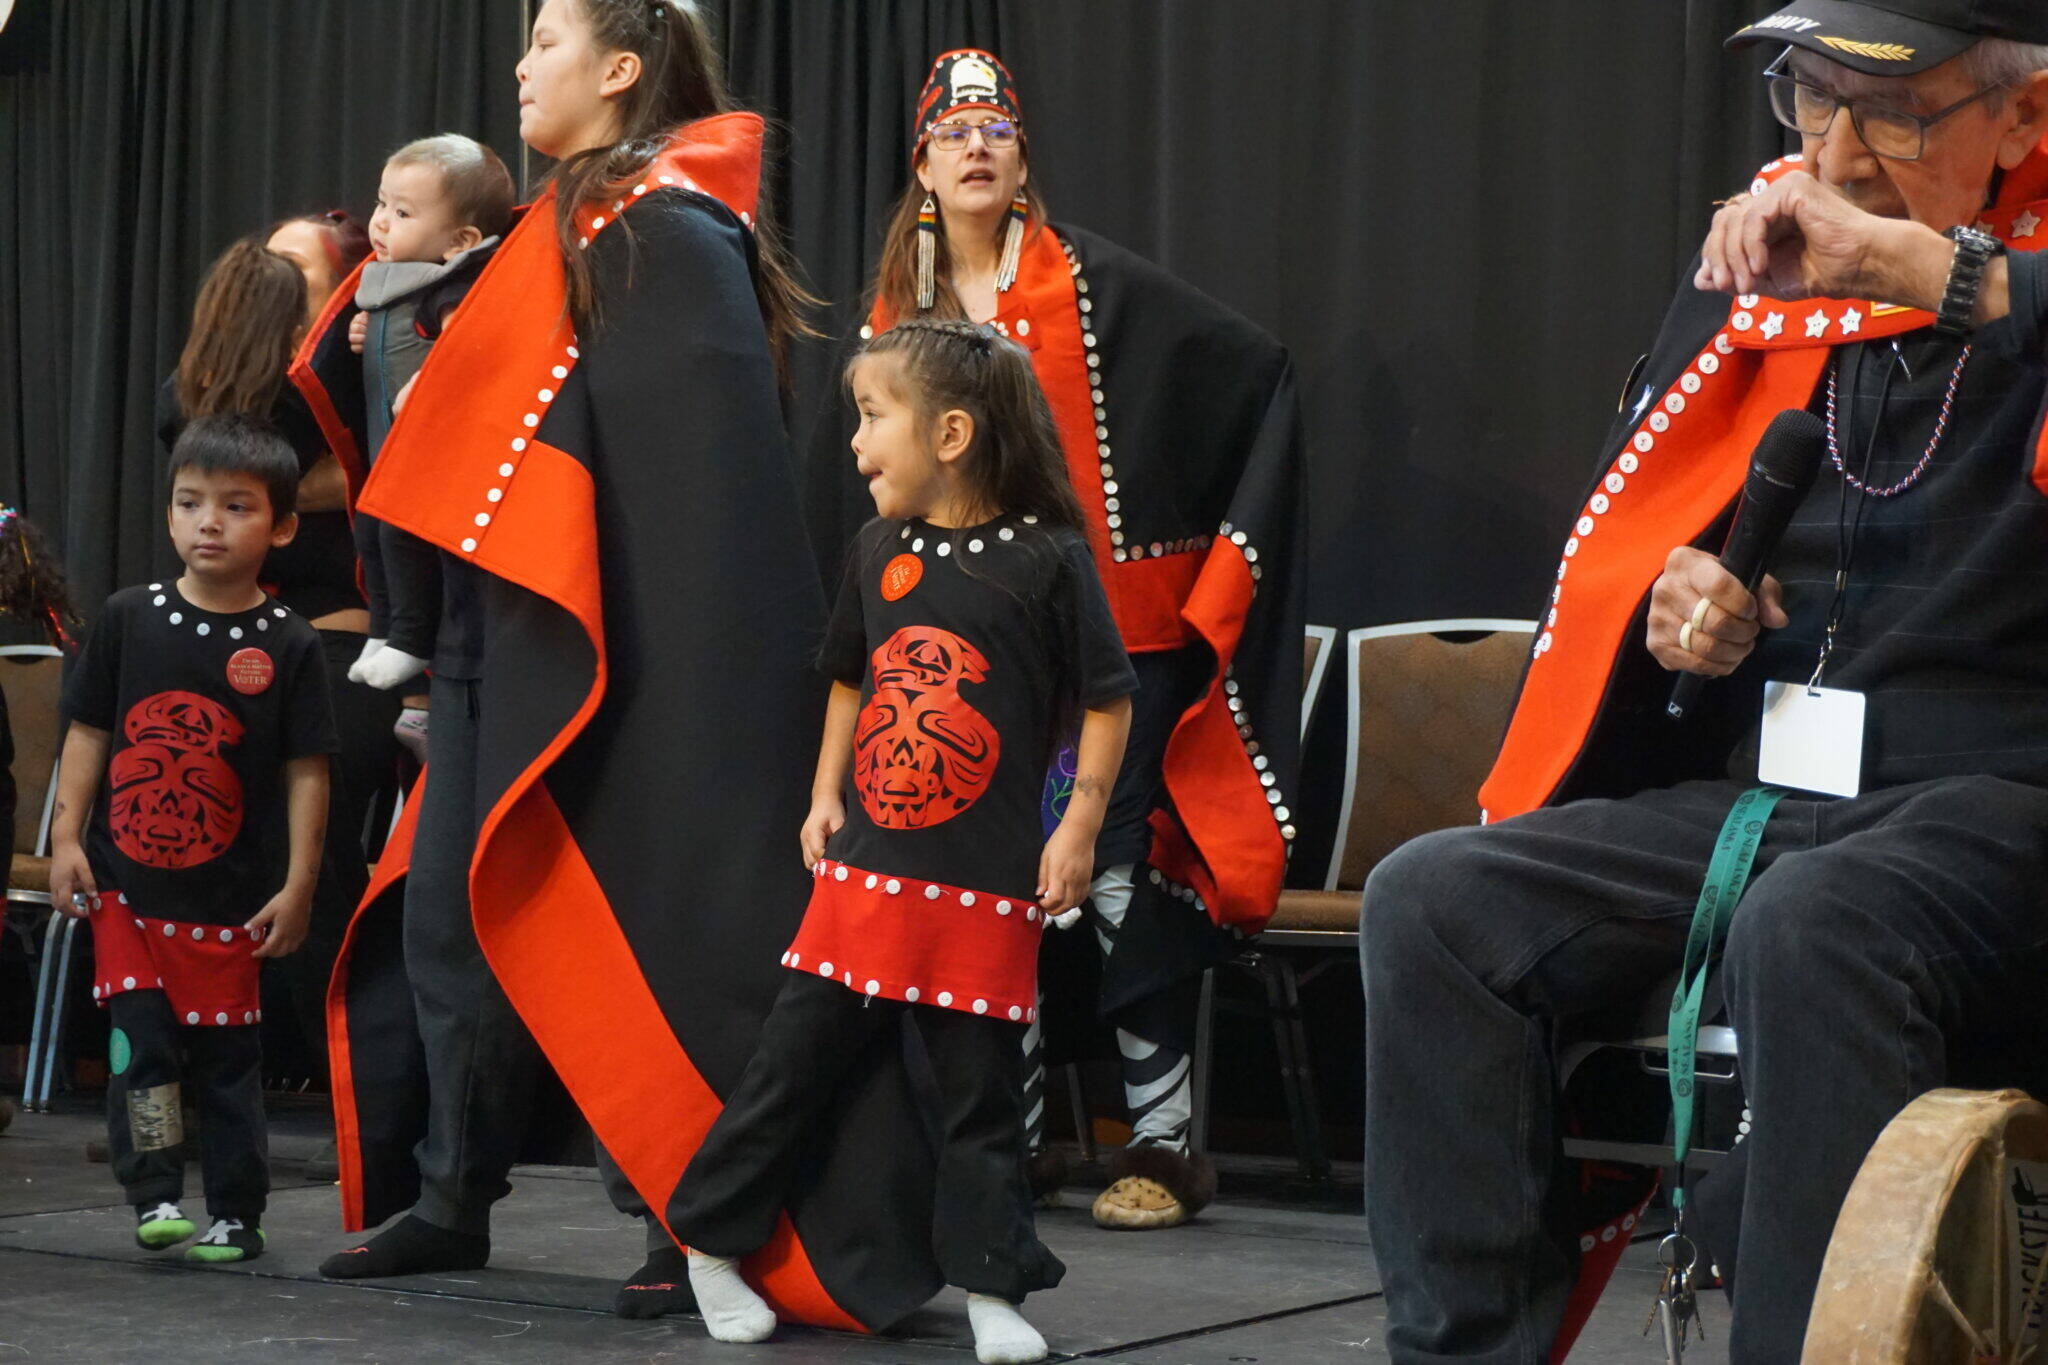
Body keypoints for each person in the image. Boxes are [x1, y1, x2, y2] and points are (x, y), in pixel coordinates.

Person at [1360, 3, 2048, 1357]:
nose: (1840, 158)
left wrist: (1945, 272)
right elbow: (1665, 531)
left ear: (2022, 114)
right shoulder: (1772, 265)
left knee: (1813, 921)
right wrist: (1692, 607)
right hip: (1789, 783)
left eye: (1893, 114)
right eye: (1810, 101)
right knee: (1433, 904)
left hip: (2001, 792)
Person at [297, 0, 948, 1332]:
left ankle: (681, 1213)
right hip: (495, 633)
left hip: (628, 650)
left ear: (621, 68)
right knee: (452, 925)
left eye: (545, 40)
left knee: (638, 928)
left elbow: (702, 494)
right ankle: (450, 1196)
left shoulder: (669, 231)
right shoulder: (558, 230)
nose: (521, 64)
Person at [811, 48, 1303, 1231]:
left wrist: (1176, 550)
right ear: (921, 164)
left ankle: (1166, 1144)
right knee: (989, 884)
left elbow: (1249, 372)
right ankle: (1011, 1145)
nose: (978, 145)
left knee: (1117, 876)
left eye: (998, 131)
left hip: (1109, 645)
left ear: (1021, 158)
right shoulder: (899, 311)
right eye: (954, 132)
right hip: (962, 648)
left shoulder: (1095, 285)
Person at [675, 320, 1134, 1364]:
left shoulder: (1048, 561)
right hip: (868, 874)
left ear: (955, 432)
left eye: (873, 417)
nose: (855, 441)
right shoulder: (876, 551)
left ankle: (990, 1289)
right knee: (788, 1071)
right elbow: (849, 673)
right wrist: (824, 792)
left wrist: (1077, 826)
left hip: (984, 883)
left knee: (981, 1100)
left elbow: (1106, 701)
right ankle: (708, 1242)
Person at [48, 414, 336, 1264]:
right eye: (190, 502)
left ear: (281, 525)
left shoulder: (288, 643)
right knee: (143, 1049)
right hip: (127, 894)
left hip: (231, 905)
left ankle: (235, 1212)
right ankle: (157, 1192)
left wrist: (301, 883)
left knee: (226, 1064)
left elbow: (307, 771)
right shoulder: (128, 617)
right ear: (169, 514)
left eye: (237, 505)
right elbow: (89, 733)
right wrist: (68, 837)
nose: (209, 521)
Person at [157, 236, 403, 1088]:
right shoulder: (299, 398)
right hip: (291, 644)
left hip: (322, 645)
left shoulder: (212, 405)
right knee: (260, 851)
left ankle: (336, 1081)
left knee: (294, 854)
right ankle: (315, 1076)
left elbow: (378, 472)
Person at [342, 133, 516, 694]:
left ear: (459, 241)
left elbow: (467, 349)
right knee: (370, 532)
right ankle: (384, 628)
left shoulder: (454, 287)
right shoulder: (397, 280)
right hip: (384, 452)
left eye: (402, 211)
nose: (381, 222)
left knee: (403, 541)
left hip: (427, 464)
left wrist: (432, 369)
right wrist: (364, 331)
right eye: (380, 203)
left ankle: (412, 641)